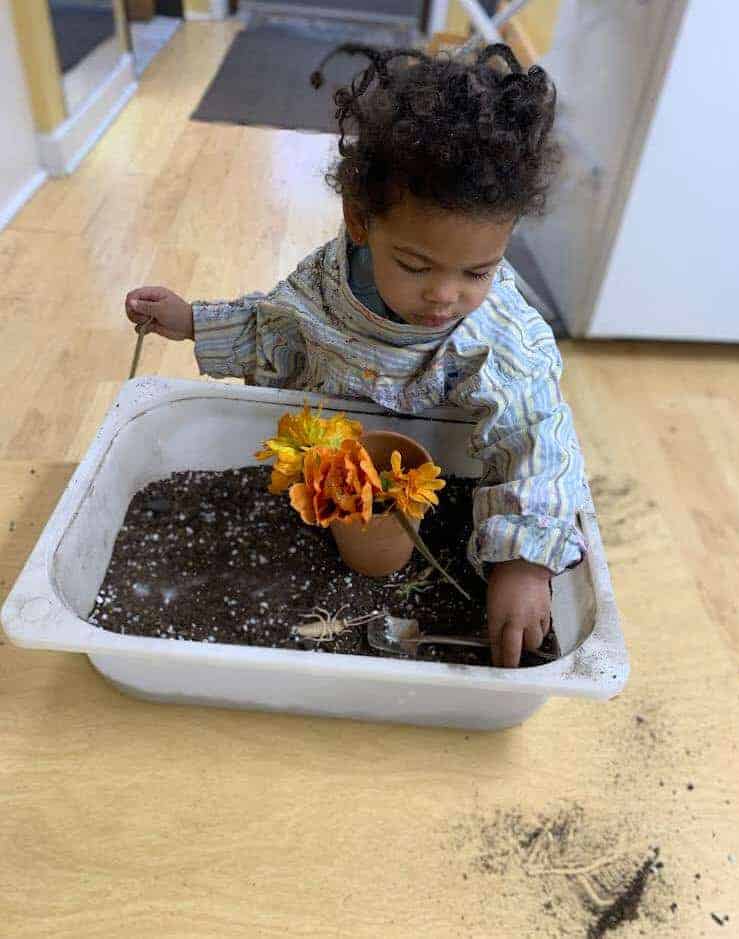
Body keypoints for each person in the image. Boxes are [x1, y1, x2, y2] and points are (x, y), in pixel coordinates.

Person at [125, 43, 587, 668]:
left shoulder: (496, 334)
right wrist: (190, 323)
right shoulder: (326, 281)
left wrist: (524, 562)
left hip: (435, 474)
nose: (445, 296)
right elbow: (277, 330)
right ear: (360, 221)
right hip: (324, 466)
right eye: (416, 265)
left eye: (479, 270)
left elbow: (537, 434)